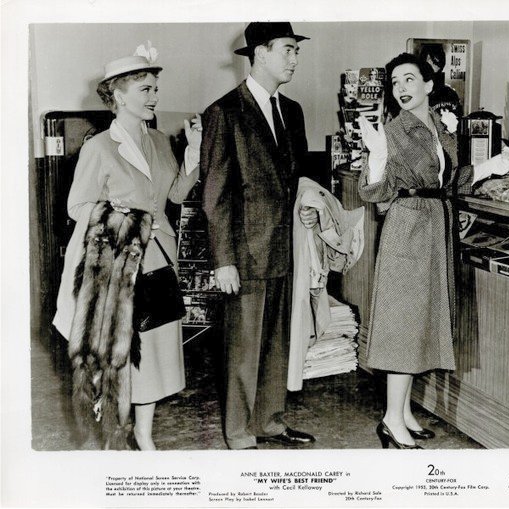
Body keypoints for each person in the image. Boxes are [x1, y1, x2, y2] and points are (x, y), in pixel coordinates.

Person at [358, 52, 509, 449]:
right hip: (408, 229)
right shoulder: (393, 131)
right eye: (395, 83)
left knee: (420, 322)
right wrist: (377, 157)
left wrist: (495, 165)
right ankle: (390, 419)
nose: (401, 89)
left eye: (409, 80)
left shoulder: (436, 125)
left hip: (434, 226)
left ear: (429, 85)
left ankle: (402, 412)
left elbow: (451, 180)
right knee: (405, 323)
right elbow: (373, 191)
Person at [53, 49, 202, 450]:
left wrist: (193, 154)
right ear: (118, 95)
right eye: (145, 89)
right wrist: (119, 214)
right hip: (118, 267)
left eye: (155, 88)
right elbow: (77, 207)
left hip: (160, 261)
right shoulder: (99, 147)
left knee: (154, 354)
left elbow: (174, 195)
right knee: (118, 356)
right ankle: (113, 435)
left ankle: (144, 435)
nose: (155, 96)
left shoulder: (160, 141)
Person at [201, 22, 317, 450]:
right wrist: (223, 261)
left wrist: (308, 206)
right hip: (246, 253)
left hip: (285, 248)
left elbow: (297, 179)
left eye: (296, 50)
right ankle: (239, 433)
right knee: (244, 349)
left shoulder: (293, 111)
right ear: (261, 53)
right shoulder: (224, 112)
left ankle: (269, 422)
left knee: (276, 344)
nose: (294, 58)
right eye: (288, 49)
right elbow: (214, 195)